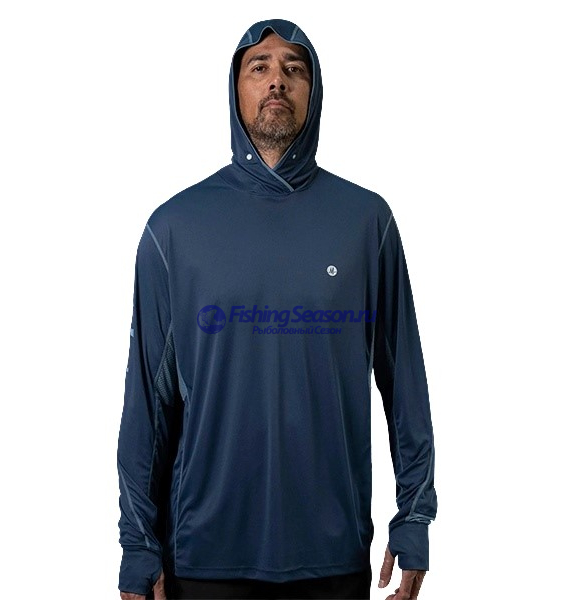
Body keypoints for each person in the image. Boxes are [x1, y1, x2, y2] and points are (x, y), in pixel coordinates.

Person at [117, 18, 437, 600]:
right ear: (235, 88)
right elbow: (147, 403)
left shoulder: (367, 223)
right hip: (204, 558)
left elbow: (405, 386)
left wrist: (414, 517)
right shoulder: (173, 229)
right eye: (258, 67)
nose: (276, 81)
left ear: (314, 92)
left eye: (294, 69)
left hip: (332, 555)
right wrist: (138, 546)